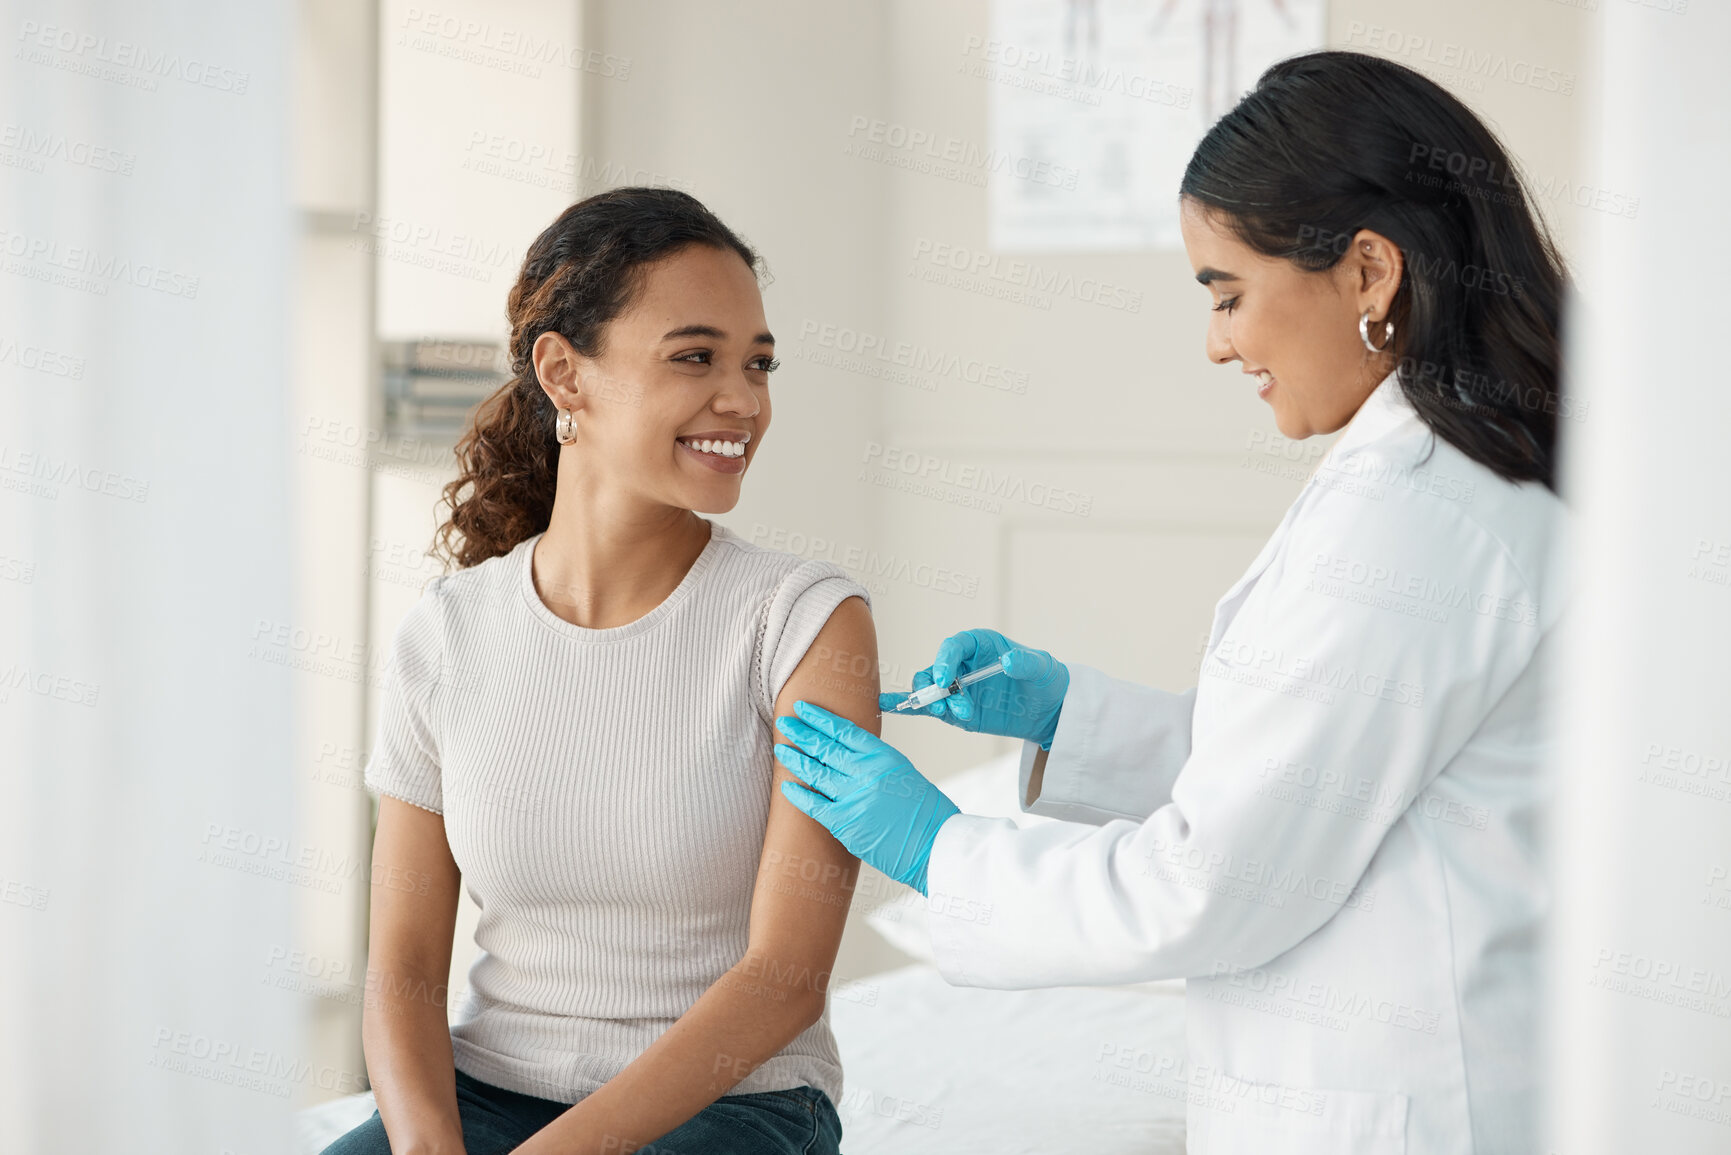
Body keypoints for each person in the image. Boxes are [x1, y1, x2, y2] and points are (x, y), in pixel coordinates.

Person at [776, 51, 1569, 1155]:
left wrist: (939, 850)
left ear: (1371, 272)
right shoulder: (1447, 480)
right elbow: (1318, 774)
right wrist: (1071, 718)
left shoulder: (1418, 515)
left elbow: (1211, 884)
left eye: (1229, 293)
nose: (1218, 342)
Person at [324, 188, 877, 1155]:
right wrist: (424, 1147)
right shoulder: (448, 633)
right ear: (563, 373)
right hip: (488, 1091)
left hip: (733, 1110)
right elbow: (403, 967)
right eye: (694, 357)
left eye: (758, 363)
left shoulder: (805, 621)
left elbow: (786, 975)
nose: (742, 400)